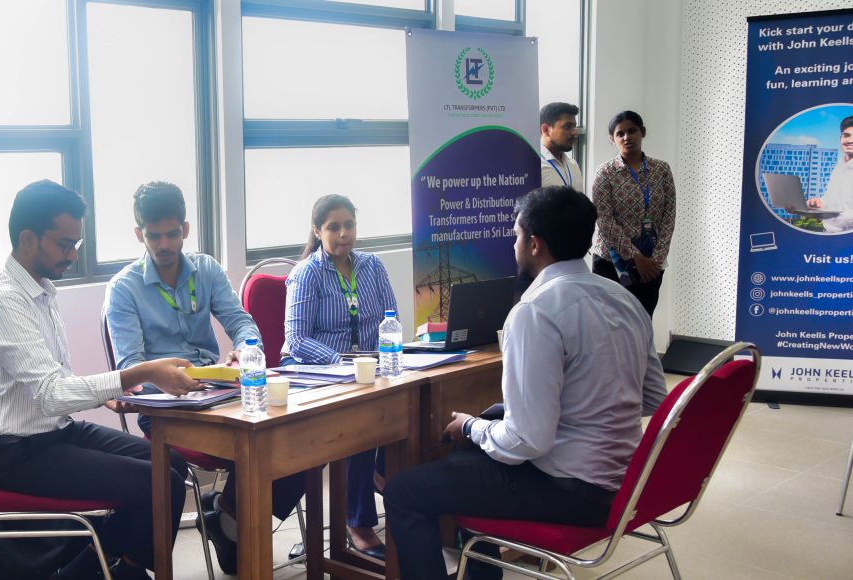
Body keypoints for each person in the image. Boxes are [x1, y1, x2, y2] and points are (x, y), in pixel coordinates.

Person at [384, 186, 668, 580]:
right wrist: (584, 404)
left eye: (516, 235)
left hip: (568, 489)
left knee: (405, 491)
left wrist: (470, 426)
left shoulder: (535, 311)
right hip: (623, 480)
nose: (513, 244)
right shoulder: (625, 300)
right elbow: (653, 398)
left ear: (535, 244)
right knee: (468, 462)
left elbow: (526, 441)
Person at [0, 179, 200, 580]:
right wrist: (142, 372)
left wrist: (103, 395)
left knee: (171, 462)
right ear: (28, 239)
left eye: (76, 244)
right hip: (15, 454)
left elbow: (53, 378)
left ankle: (109, 569)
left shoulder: (41, 290)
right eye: (65, 244)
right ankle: (124, 571)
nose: (74, 255)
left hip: (54, 433)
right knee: (159, 484)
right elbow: (49, 394)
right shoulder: (4, 301)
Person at [103, 181, 306, 574]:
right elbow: (131, 367)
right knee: (259, 442)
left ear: (186, 228)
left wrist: (244, 350)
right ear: (139, 234)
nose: (164, 244)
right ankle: (232, 526)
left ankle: (227, 516)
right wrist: (164, 380)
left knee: (297, 437)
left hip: (216, 391)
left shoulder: (206, 269)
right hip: (164, 407)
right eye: (154, 236)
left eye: (172, 234)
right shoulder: (124, 289)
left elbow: (241, 323)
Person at [282, 194, 398, 560]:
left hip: (366, 369)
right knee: (359, 421)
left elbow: (391, 320)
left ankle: (385, 479)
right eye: (334, 227)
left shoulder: (372, 266)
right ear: (317, 231)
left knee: (408, 406)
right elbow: (296, 340)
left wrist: (383, 358)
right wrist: (341, 363)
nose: (343, 233)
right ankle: (358, 523)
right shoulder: (308, 273)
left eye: (349, 225)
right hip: (314, 369)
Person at [589, 110, 676, 316]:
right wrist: (635, 257)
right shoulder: (605, 172)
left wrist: (656, 260)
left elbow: (669, 216)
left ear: (642, 132)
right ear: (612, 139)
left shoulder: (661, 170)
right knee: (609, 322)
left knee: (642, 319)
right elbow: (604, 220)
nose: (627, 137)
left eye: (632, 131)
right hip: (611, 262)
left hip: (651, 263)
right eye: (620, 134)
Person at [805, 115, 853, 233]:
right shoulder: (838, 168)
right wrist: (818, 204)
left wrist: (827, 216)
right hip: (829, 234)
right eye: (846, 135)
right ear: (840, 138)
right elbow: (832, 201)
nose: (850, 140)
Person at [539, 102, 584, 192]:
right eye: (567, 126)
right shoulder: (534, 167)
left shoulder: (573, 165)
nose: (574, 132)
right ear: (546, 130)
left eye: (574, 126)